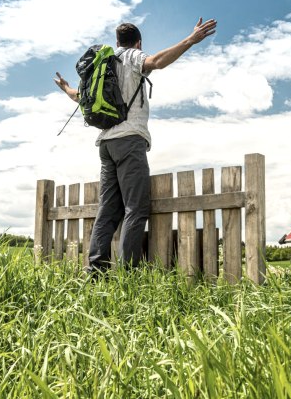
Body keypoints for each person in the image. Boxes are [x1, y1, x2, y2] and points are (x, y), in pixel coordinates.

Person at [55, 17, 217, 273]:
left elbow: (82, 97)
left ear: (116, 42)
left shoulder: (102, 64)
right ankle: (128, 274)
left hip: (105, 144)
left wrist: (65, 88)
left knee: (107, 211)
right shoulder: (132, 57)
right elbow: (156, 62)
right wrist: (190, 40)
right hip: (129, 140)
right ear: (138, 42)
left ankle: (95, 271)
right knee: (136, 208)